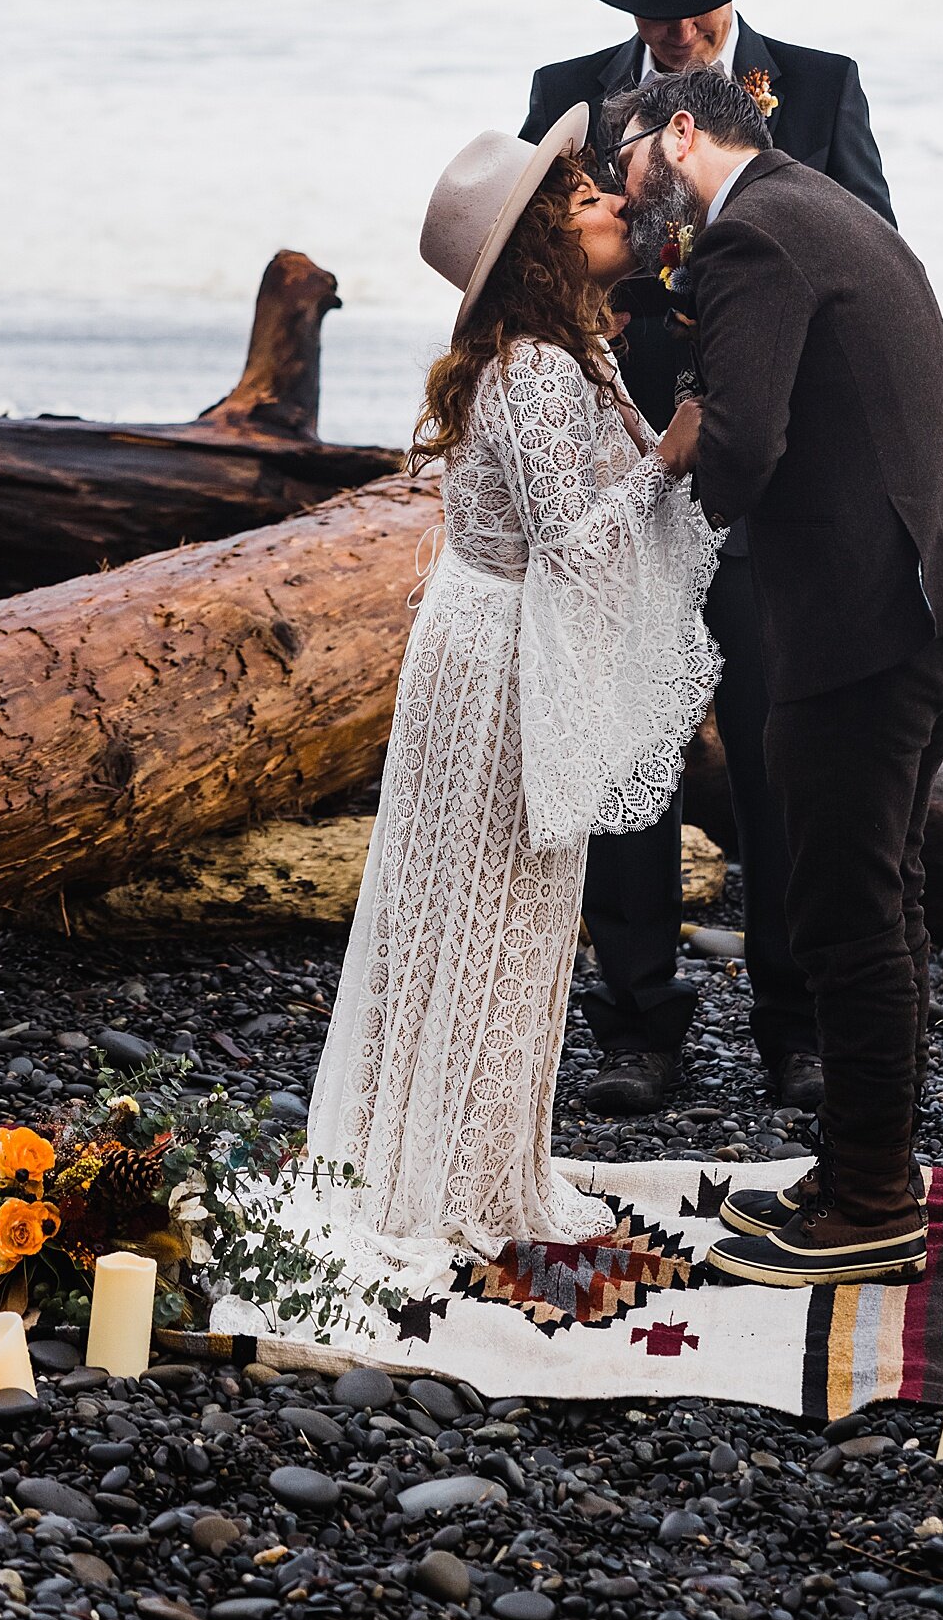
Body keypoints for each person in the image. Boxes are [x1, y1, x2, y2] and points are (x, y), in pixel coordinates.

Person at [302, 108, 720, 1292]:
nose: (609, 205)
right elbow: (572, 541)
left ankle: (484, 1155)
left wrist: (656, 440)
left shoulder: (571, 354)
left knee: (518, 907)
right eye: (584, 200)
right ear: (542, 245)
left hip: (497, 639)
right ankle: (441, 1170)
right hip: (491, 656)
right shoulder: (532, 370)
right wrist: (668, 457)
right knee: (483, 902)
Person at [606, 66, 943, 1289]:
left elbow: (742, 446)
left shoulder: (751, 243)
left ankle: (873, 1197)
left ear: (680, 131)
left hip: (858, 620)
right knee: (886, 890)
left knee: (842, 909)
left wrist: (673, 446)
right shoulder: (823, 207)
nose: (631, 210)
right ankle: (859, 1161)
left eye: (629, 172)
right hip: (937, 592)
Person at [521, 0, 894, 1119]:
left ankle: (795, 1024)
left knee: (782, 740)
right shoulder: (565, 94)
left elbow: (871, 259)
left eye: (696, 7)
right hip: (621, 469)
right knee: (631, 741)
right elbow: (532, 271)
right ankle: (637, 1023)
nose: (676, 32)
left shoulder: (824, 88)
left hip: (767, 475)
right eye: (653, 10)